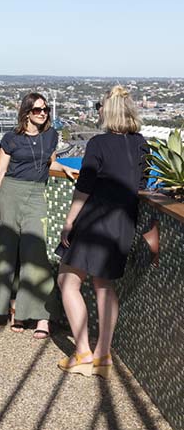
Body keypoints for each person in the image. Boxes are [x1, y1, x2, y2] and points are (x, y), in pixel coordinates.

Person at [57, 85, 160, 378]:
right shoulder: (142, 144)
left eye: (100, 106)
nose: (98, 111)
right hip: (123, 222)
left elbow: (84, 187)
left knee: (67, 281)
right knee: (104, 286)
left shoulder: (98, 144)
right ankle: (103, 355)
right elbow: (141, 184)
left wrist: (69, 222)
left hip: (94, 221)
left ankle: (82, 353)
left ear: (108, 111)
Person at [0, 92, 78, 338]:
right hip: (9, 195)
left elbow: (48, 162)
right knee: (6, 254)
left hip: (36, 196)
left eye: (45, 109)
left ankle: (43, 317)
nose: (42, 113)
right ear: (26, 113)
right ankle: (13, 311)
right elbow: (0, 171)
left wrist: (64, 167)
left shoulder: (51, 135)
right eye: (37, 110)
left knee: (36, 254)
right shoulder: (11, 138)